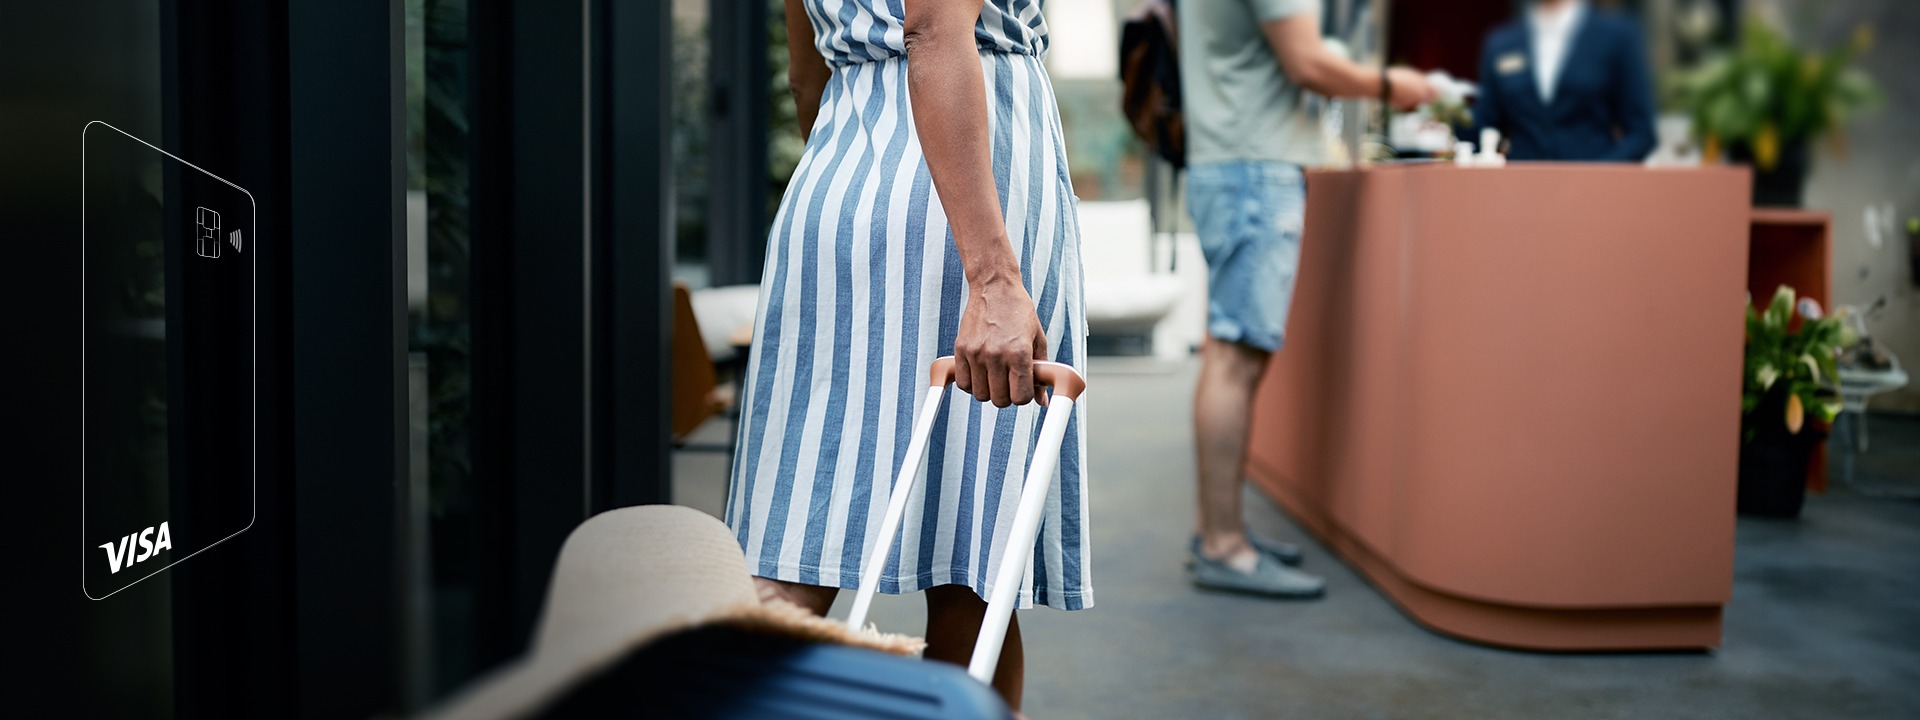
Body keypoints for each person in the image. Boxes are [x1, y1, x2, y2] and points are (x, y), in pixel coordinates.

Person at [726, 0, 1089, 710]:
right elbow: (933, 26)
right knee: (973, 562)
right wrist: (992, 276)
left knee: (794, 527)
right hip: (972, 189)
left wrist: (866, 178)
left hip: (840, 171)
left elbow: (807, 76)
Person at [1179, 0, 1433, 597]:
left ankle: (1219, 531)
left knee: (1227, 353)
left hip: (1228, 162)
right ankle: (1224, 545)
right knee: (1236, 358)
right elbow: (1308, 63)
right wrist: (1396, 84)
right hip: (1255, 168)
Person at [1469, 0, 1657, 161]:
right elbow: (1484, 124)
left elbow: (1641, 133)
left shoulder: (1616, 37)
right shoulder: (1502, 44)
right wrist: (1447, 110)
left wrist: (1599, 175)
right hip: (1521, 188)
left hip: (1592, 190)